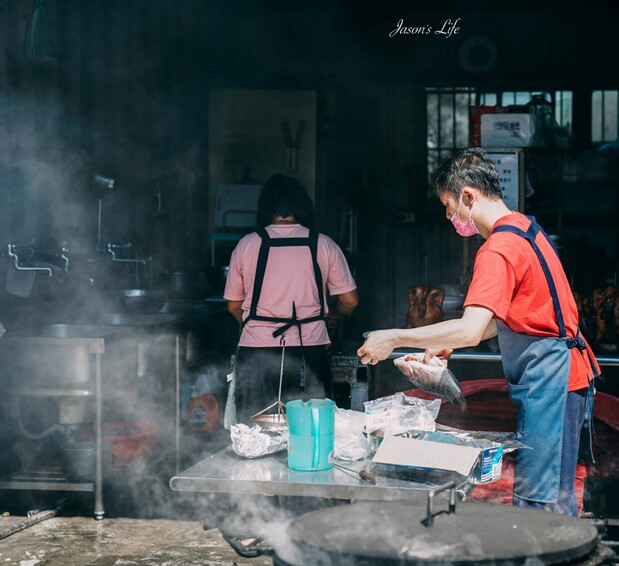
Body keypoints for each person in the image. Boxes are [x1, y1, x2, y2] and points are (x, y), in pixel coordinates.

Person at [358, 147, 600, 516]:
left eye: (448, 205)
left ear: (468, 195)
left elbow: (471, 329)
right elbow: (505, 317)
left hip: (553, 380)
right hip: (562, 376)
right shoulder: (525, 227)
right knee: (553, 493)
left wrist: (393, 337)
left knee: (540, 501)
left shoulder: (498, 249)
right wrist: (442, 342)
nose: (448, 216)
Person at [224, 173, 359, 425]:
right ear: (303, 207)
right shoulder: (324, 245)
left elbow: (233, 305)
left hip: (257, 353)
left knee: (254, 432)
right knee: (310, 428)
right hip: (309, 352)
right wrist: (332, 314)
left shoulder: (247, 245)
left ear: (265, 208)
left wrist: (256, 327)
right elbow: (350, 300)